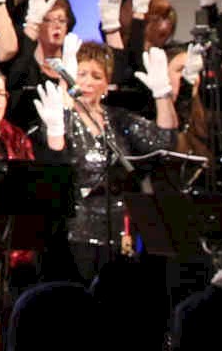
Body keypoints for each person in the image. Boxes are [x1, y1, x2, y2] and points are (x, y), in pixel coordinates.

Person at [60, 40, 178, 276]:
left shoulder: (119, 119)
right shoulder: (59, 117)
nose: (88, 82)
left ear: (107, 84)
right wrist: (63, 94)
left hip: (120, 232)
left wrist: (162, 94)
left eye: (96, 76)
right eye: (81, 74)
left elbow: (163, 141)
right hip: (76, 233)